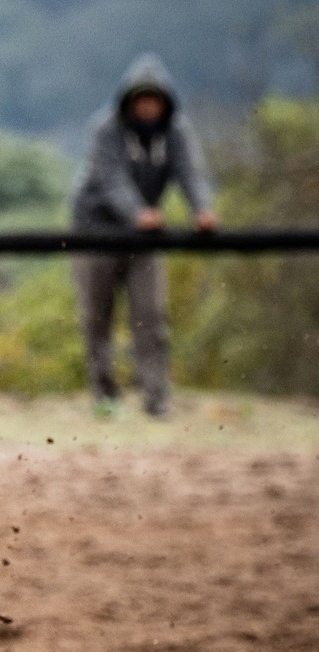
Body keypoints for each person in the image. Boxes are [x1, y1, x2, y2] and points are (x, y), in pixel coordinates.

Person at [68, 54, 217, 417]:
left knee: (150, 317)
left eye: (155, 100)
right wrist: (138, 213)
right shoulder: (106, 129)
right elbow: (110, 179)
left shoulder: (176, 131)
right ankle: (104, 398)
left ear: (165, 103)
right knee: (96, 318)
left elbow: (190, 172)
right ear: (129, 102)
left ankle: (156, 399)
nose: (148, 107)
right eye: (141, 99)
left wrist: (203, 210)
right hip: (96, 232)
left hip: (145, 238)